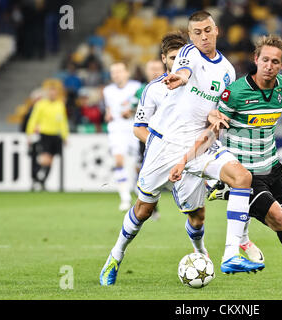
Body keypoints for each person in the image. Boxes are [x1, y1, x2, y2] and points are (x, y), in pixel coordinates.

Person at [99, 11, 264, 286]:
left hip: (198, 146)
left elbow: (214, 109)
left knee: (229, 189)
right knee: (143, 210)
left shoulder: (227, 70)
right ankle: (115, 256)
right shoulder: (184, 59)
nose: (203, 36)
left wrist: (215, 116)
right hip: (163, 147)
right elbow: (185, 72)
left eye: (207, 30)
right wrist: (181, 77)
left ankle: (229, 253)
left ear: (216, 30)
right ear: (190, 37)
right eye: (197, 32)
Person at [174, 35, 282, 289]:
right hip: (246, 174)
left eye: (276, 61)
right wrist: (185, 160)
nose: (269, 65)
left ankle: (225, 192)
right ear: (256, 60)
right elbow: (213, 130)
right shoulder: (236, 92)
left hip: (272, 167)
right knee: (281, 220)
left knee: (281, 221)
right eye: (265, 60)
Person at [103, 62, 141, 211]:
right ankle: (125, 198)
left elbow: (143, 106)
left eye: (119, 71)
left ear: (126, 73)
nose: (116, 74)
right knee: (119, 161)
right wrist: (108, 114)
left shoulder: (136, 87)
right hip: (117, 128)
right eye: (113, 72)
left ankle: (140, 195)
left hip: (134, 128)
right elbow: (109, 108)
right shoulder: (107, 90)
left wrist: (131, 112)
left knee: (138, 166)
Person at [131, 58, 165, 220]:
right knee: (143, 170)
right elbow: (131, 108)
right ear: (146, 71)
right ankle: (151, 207)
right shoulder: (141, 90)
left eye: (157, 68)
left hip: (168, 137)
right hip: (146, 136)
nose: (155, 71)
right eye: (151, 69)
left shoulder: (171, 86)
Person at [25, 79, 69, 191]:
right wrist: (29, 133)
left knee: (51, 160)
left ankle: (42, 182)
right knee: (45, 159)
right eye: (51, 91)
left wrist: (65, 136)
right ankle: (36, 179)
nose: (52, 94)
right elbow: (33, 119)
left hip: (55, 135)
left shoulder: (60, 105)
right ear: (47, 93)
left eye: (54, 92)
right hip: (44, 134)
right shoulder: (40, 104)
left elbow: (63, 121)